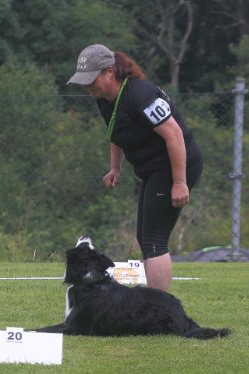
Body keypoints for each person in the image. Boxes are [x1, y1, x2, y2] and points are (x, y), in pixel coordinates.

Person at [68, 44, 203, 292]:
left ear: (110, 72)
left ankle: (158, 306)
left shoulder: (141, 95)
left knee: (154, 240)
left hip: (172, 166)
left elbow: (174, 134)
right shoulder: (105, 99)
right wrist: (115, 168)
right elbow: (116, 132)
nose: (87, 86)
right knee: (146, 238)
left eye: (91, 79)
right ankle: (154, 302)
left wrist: (179, 182)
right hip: (153, 169)